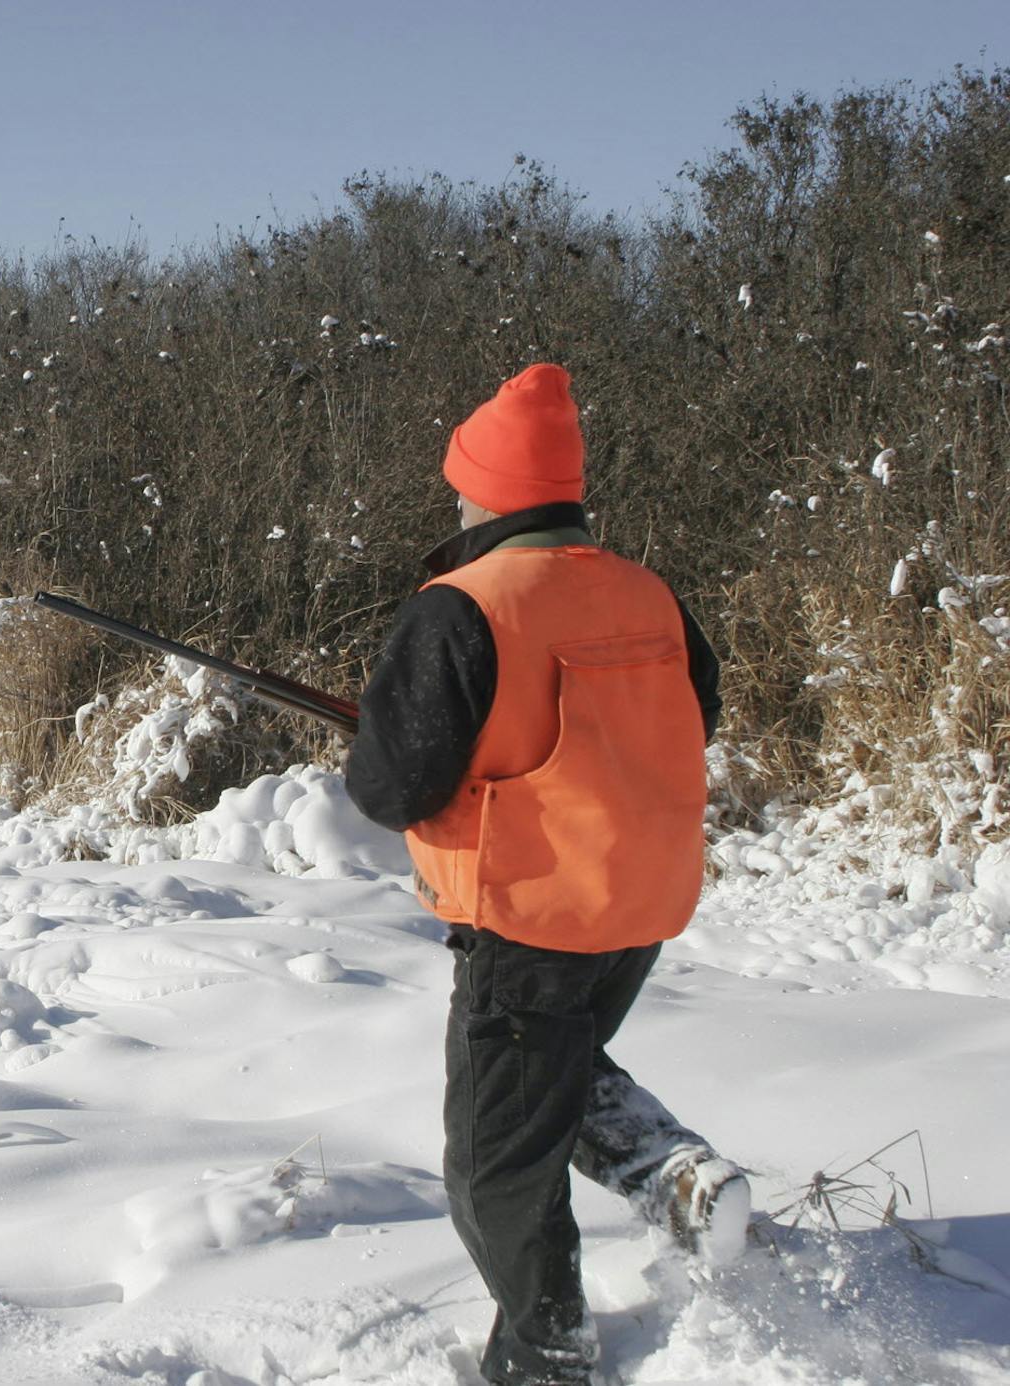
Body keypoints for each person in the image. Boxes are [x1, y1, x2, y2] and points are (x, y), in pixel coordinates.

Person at [343, 363, 751, 1386]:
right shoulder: (646, 590)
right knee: (544, 1079)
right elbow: (690, 716)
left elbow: (390, 788)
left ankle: (545, 1355)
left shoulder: (463, 605)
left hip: (533, 918)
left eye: (462, 484)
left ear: (485, 491)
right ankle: (677, 1179)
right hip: (638, 907)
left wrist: (388, 740)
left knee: (493, 1162)